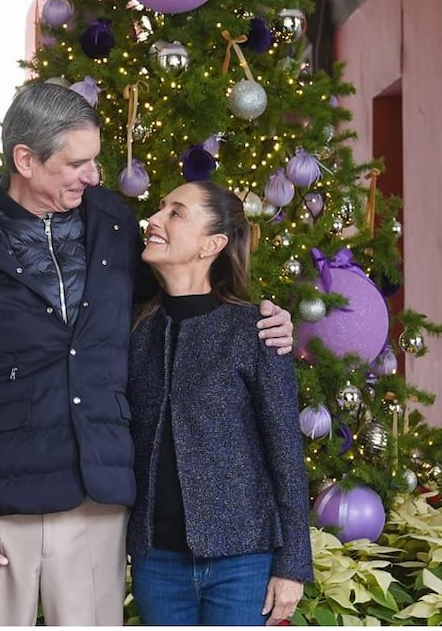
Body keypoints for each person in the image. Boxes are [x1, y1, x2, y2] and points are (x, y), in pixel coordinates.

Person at [0, 83, 295, 626]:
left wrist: (268, 321)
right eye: (78, 163)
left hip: (96, 503)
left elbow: (180, 303)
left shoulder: (112, 225)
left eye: (95, 160)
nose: (94, 175)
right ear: (26, 159)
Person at [125, 180, 314, 626]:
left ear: (213, 243)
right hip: (157, 561)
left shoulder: (255, 330)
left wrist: (291, 566)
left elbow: (286, 453)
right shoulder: (134, 330)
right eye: (159, 208)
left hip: (242, 560)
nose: (154, 219)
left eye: (176, 212)